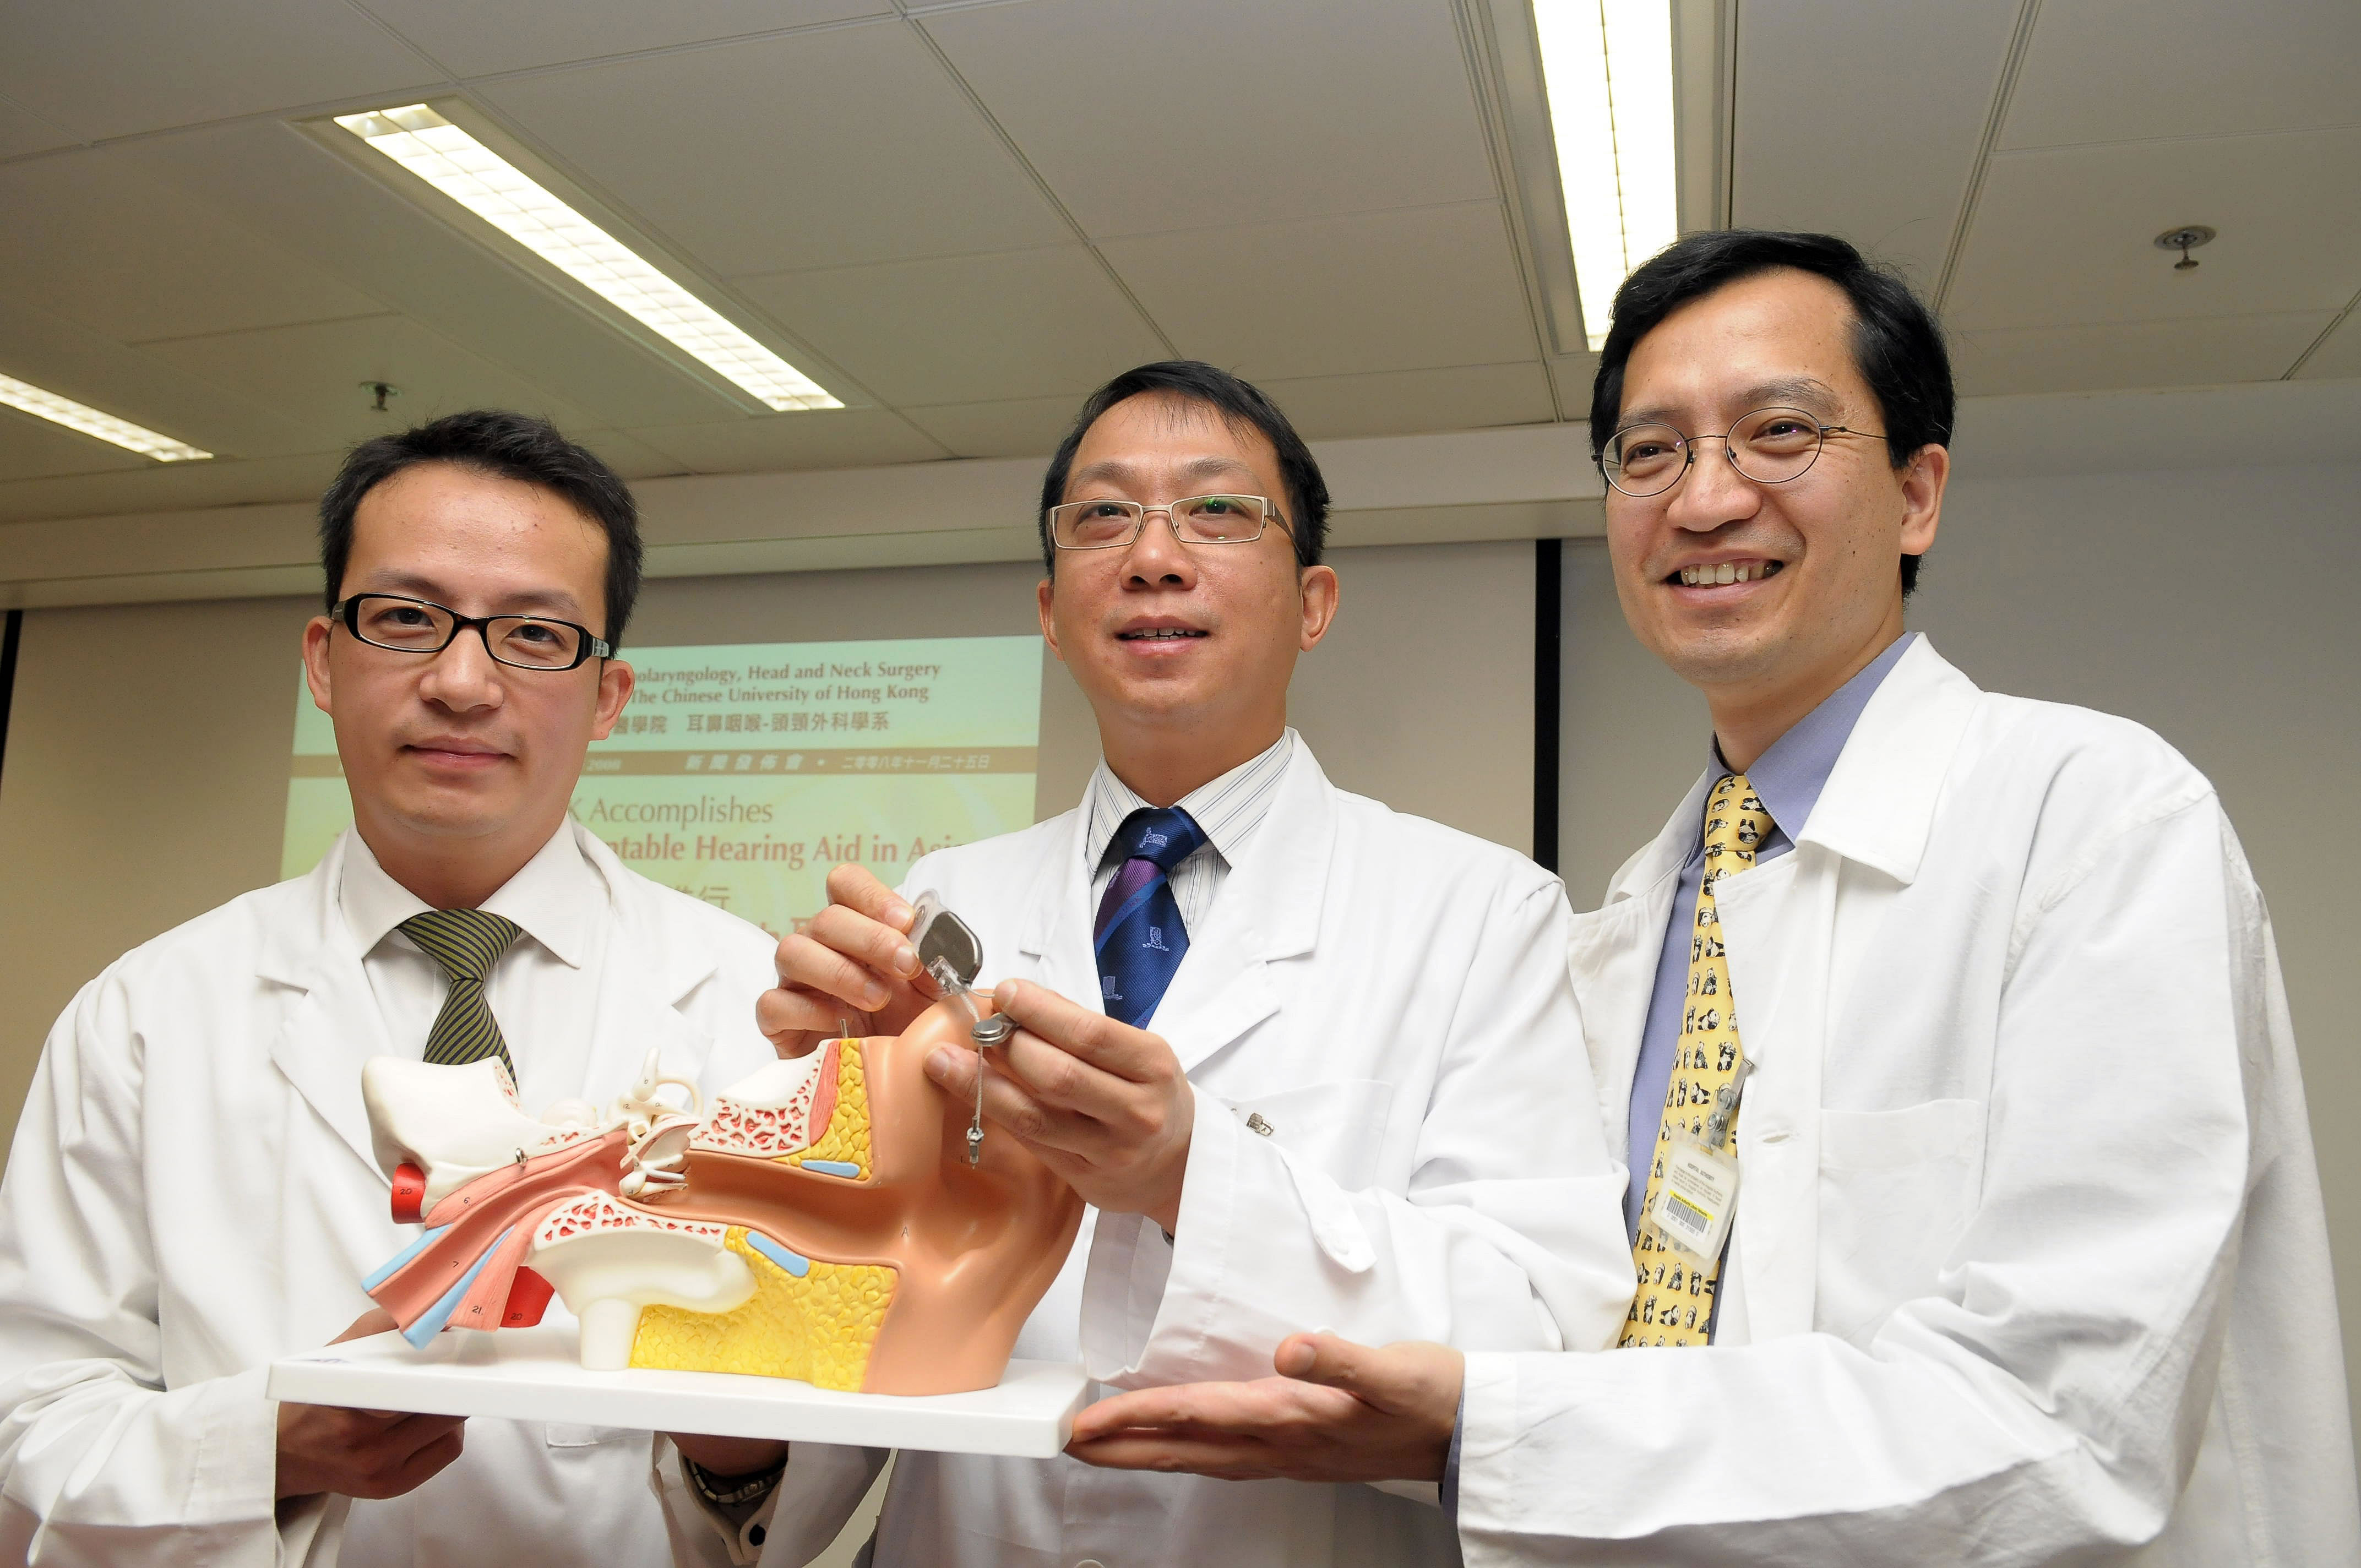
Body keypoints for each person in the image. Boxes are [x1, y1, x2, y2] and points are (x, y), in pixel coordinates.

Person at [1064, 232, 2360, 1564]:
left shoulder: (2090, 821)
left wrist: (1489, 1432)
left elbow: (2070, 1420)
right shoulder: (1622, 930)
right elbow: (1562, 1330)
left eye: (1777, 432)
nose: (1703, 498)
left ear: (1917, 493)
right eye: (1649, 452)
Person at [716, 362, 1638, 1567]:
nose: (1153, 557)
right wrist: (836, 1129)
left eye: (1215, 512)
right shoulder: (941, 899)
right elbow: (847, 1350)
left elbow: (1537, 1330)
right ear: (1051, 610)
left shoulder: (1480, 910)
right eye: (1103, 516)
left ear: (1312, 601)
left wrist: (1187, 1177)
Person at [0, 411, 786, 1567]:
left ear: (608, 695)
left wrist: (739, 1457)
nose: (463, 681)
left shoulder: (745, 1002)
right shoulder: (147, 1015)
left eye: (533, 634)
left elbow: (826, 1454)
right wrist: (266, 1441)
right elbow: (30, 1418)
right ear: (324, 657)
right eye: (407, 618)